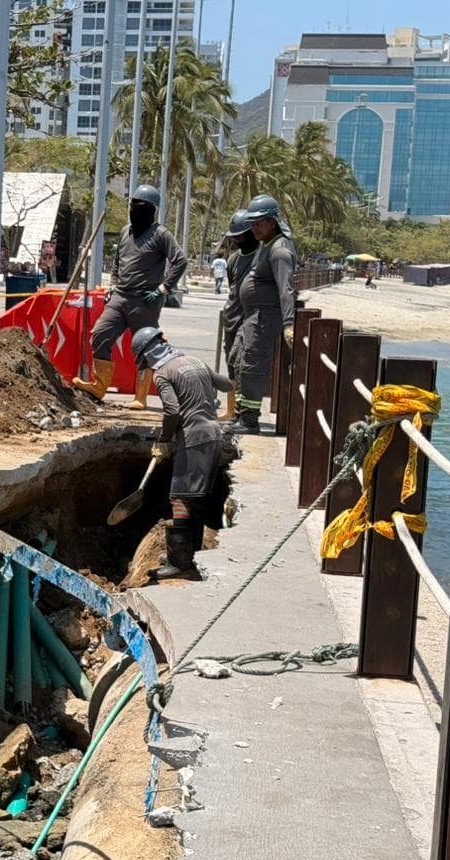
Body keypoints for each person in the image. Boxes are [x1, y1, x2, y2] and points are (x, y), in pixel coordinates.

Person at [71, 184, 186, 409]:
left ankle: (140, 397)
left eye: (140, 207)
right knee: (100, 335)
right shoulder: (126, 231)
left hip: (145, 301)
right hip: (120, 297)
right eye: (132, 205)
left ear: (151, 210)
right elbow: (117, 262)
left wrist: (163, 289)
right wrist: (113, 285)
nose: (135, 210)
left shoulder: (161, 234)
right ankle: (99, 385)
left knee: (145, 347)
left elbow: (180, 260)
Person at [133, 326, 232, 579]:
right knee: (194, 499)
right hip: (214, 436)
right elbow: (226, 384)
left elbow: (172, 411)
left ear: (149, 355)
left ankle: (180, 563)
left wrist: (164, 439)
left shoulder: (164, 373)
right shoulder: (194, 361)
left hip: (194, 439)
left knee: (179, 498)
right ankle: (190, 556)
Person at [226, 194, 296, 435]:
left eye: (258, 223)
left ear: (272, 222)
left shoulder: (279, 250)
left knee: (252, 366)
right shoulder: (266, 245)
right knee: (237, 361)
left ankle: (249, 420)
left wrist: (289, 324)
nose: (253, 228)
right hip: (251, 316)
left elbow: (286, 289)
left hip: (264, 318)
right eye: (251, 223)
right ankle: (240, 413)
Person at [219, 209, 257, 423]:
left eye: (241, 236)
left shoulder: (262, 257)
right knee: (231, 365)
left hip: (249, 319)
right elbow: (232, 287)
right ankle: (231, 409)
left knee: (243, 365)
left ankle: (244, 411)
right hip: (231, 318)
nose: (238, 241)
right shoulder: (233, 259)